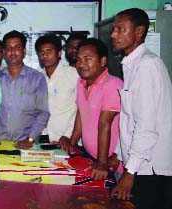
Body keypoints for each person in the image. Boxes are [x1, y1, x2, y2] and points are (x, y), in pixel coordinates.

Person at [110, 8, 172, 209]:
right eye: (114, 29)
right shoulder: (131, 64)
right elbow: (129, 119)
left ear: (139, 31)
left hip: (149, 168)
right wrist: (117, 155)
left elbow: (146, 126)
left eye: (121, 29)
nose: (113, 34)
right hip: (137, 166)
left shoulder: (147, 66)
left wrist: (129, 174)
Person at [59, 38, 123, 180]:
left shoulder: (112, 84)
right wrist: (72, 143)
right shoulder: (81, 83)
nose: (81, 64)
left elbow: (104, 123)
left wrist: (102, 163)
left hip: (112, 166)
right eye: (78, 59)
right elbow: (81, 113)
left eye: (87, 59)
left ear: (102, 61)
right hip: (93, 160)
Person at [0, 30, 49, 149]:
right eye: (8, 48)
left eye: (17, 47)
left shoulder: (37, 78)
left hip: (26, 144)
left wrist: (30, 138)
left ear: (24, 51)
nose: (12, 52)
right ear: (4, 52)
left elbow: (43, 112)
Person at [35, 34, 79, 144]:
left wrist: (68, 135)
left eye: (49, 51)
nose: (45, 55)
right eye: (41, 52)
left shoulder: (74, 75)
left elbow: (81, 110)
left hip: (68, 141)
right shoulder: (38, 79)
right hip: (43, 140)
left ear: (59, 53)